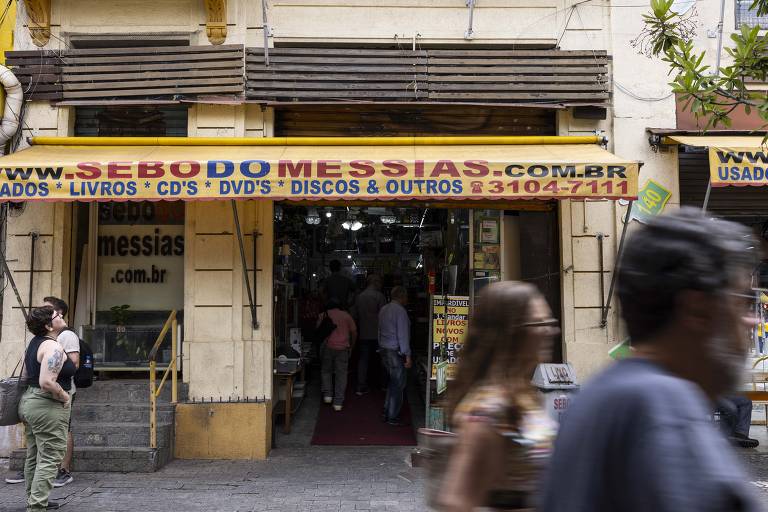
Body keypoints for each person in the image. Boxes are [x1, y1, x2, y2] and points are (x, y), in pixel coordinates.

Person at [540, 208, 762, 512]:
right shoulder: (664, 407)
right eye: (742, 302)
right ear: (697, 310)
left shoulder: (603, 395)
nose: (751, 321)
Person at [437, 282, 559, 511]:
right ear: (511, 331)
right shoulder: (486, 411)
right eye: (539, 323)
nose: (550, 331)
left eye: (551, 323)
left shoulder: (522, 393)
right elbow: (455, 501)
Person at [18, 306, 75, 511]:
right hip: (47, 404)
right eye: (56, 315)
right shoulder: (53, 347)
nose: (61, 316)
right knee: (51, 456)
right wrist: (64, 395)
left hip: (30, 402)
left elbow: (26, 376)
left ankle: (33, 499)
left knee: (34, 454)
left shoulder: (35, 343)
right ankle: (37, 506)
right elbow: (47, 382)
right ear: (48, 325)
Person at [43, 296, 79, 488]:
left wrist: (52, 375)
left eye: (46, 308)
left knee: (63, 429)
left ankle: (63, 469)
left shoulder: (67, 336)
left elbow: (74, 364)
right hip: (46, 390)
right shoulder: (45, 334)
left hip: (63, 389)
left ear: (58, 313)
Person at [378, 286, 411, 426]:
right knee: (398, 384)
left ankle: (387, 410)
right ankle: (392, 416)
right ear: (402, 297)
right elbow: (403, 335)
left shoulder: (384, 309)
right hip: (395, 351)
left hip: (384, 348)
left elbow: (379, 329)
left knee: (392, 382)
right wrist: (407, 355)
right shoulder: (400, 311)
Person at [318, 299, 357, 411]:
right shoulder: (346, 316)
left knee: (326, 371)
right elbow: (354, 332)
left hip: (327, 347)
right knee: (341, 374)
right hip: (343, 348)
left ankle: (328, 396)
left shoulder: (323, 315)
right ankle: (338, 403)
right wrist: (352, 346)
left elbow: (318, 331)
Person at [353, 275, 386, 395]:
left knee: (363, 359)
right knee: (380, 359)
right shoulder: (379, 296)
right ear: (376, 282)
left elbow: (355, 315)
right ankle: (381, 384)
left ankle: (361, 385)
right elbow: (384, 316)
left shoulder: (359, 297)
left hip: (363, 332)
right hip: (377, 333)